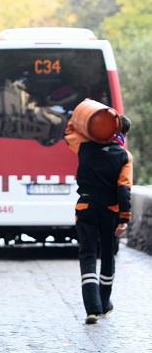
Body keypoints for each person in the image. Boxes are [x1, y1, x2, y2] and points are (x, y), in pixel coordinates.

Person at [65, 105, 133, 325]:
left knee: (87, 256)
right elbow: (124, 189)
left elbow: (69, 132)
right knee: (107, 256)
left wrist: (89, 120)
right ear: (120, 133)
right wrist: (124, 218)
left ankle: (92, 309)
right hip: (110, 212)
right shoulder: (124, 155)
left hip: (86, 207)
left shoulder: (84, 147)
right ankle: (104, 303)